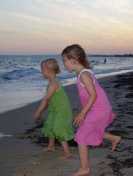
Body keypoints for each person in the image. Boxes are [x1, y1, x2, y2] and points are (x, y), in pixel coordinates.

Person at [61, 44, 121, 176]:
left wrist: (83, 113)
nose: (63, 65)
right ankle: (113, 138)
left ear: (73, 60)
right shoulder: (83, 74)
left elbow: (93, 95)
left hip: (99, 109)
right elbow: (89, 96)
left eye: (64, 61)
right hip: (98, 108)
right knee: (91, 129)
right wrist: (83, 111)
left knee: (81, 136)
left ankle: (84, 168)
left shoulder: (84, 75)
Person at [34, 58, 75, 159]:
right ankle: (51, 146)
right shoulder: (51, 81)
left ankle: (67, 152)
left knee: (58, 128)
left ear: (49, 70)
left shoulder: (54, 84)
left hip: (62, 110)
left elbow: (46, 99)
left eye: (42, 69)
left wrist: (38, 112)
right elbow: (50, 100)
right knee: (50, 126)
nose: (41, 72)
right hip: (54, 110)